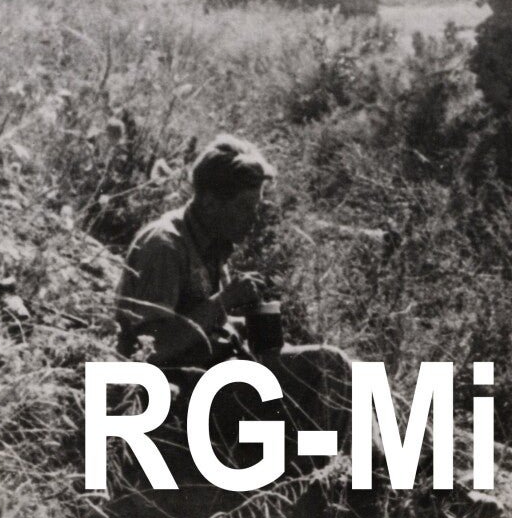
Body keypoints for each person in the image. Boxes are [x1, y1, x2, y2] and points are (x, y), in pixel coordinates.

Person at [114, 134, 352, 476]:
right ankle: (312, 490)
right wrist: (223, 302)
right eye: (244, 207)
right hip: (181, 398)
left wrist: (243, 323)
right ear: (210, 203)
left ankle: (402, 476)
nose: (253, 219)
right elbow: (146, 350)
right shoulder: (165, 246)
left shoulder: (211, 244)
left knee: (346, 374)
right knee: (329, 367)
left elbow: (202, 322)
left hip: (219, 374)